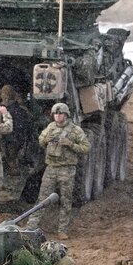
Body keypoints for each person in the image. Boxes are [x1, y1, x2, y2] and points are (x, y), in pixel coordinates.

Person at [26, 102, 90, 238]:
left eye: (60, 113)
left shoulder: (75, 130)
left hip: (67, 169)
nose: (57, 116)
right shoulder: (50, 127)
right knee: (42, 198)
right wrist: (45, 140)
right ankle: (31, 226)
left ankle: (62, 230)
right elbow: (40, 140)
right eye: (55, 113)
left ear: (66, 115)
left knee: (66, 200)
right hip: (51, 168)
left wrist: (71, 144)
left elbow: (86, 147)